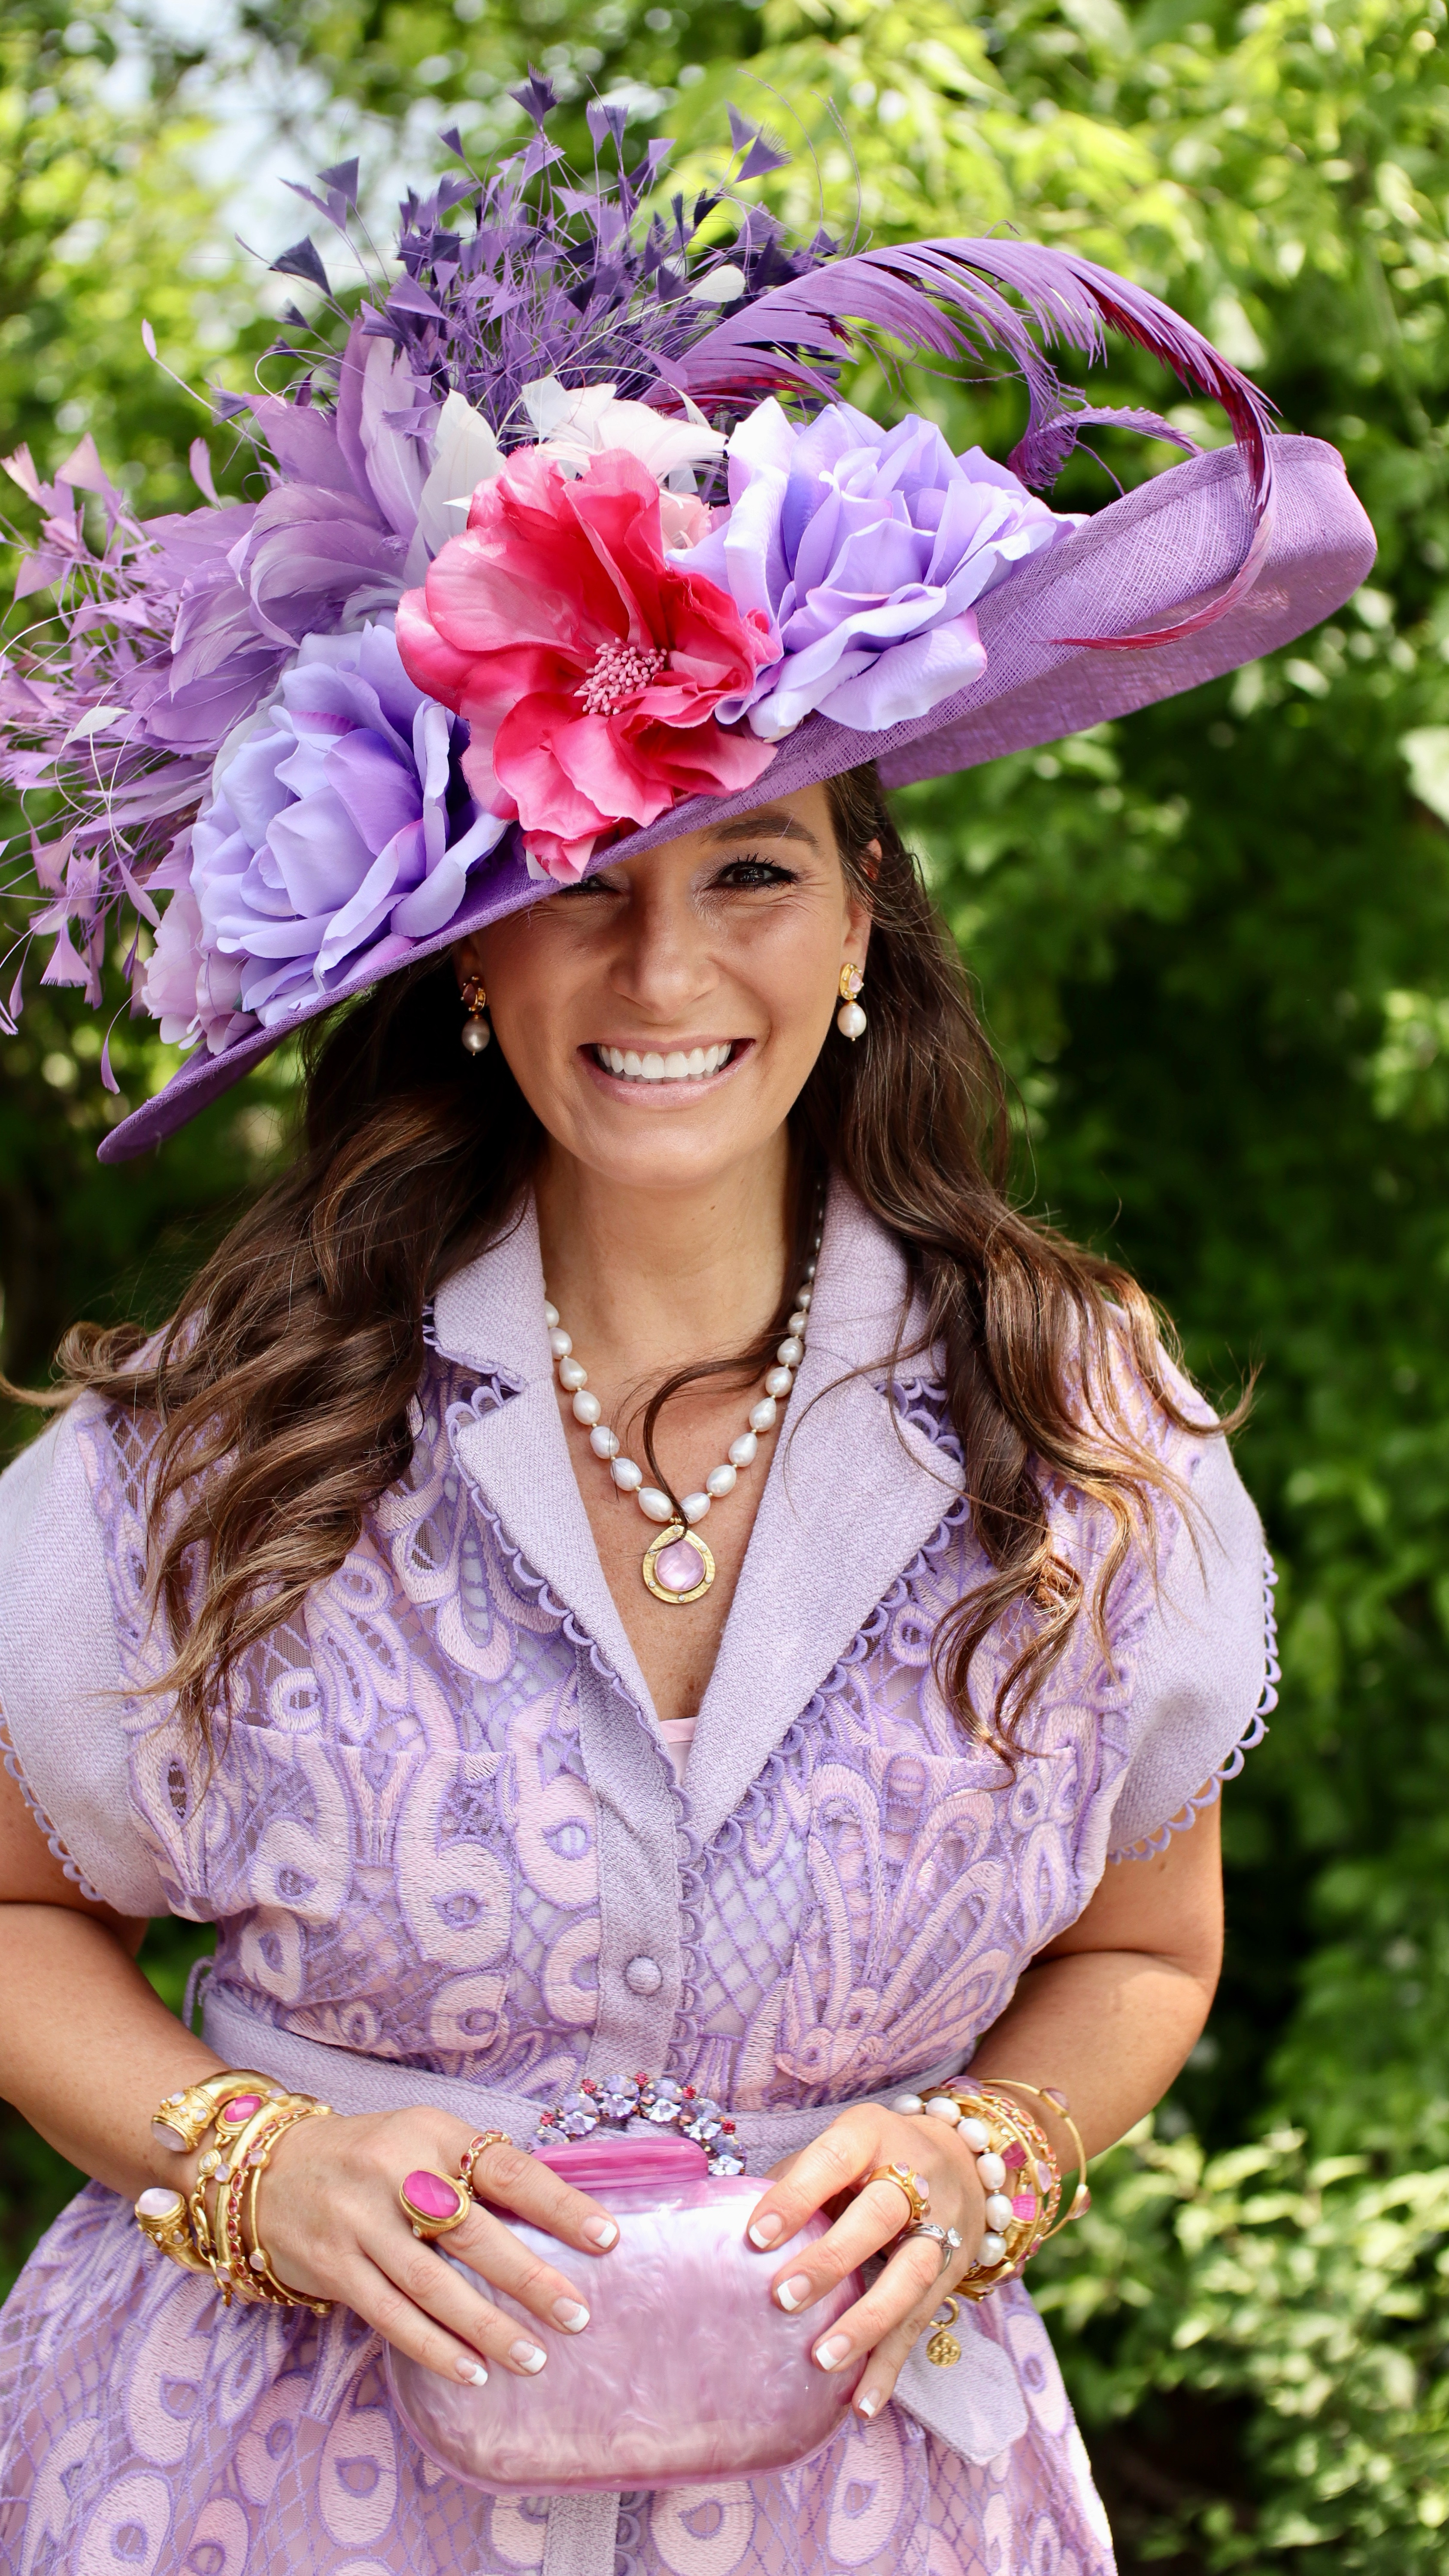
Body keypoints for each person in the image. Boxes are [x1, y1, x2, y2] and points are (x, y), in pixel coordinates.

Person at [0, 94, 1370, 2576]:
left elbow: (1150, 1949)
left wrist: (990, 2151)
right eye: (585, 887)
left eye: (751, 872)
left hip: (875, 2504)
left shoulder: (1080, 1426)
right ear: (470, 952)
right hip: (250, 2496)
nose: (666, 973)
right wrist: (255, 2162)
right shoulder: (223, 1421)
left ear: (861, 934)